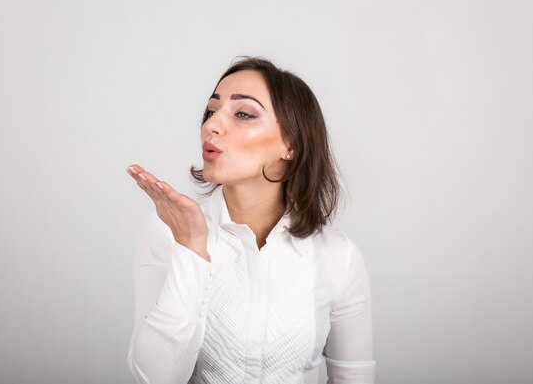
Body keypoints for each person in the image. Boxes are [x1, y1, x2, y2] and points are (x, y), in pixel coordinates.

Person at [125, 57, 375, 383]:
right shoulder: (169, 231)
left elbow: (353, 378)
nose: (211, 125)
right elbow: (154, 378)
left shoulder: (338, 256)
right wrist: (191, 249)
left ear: (291, 144)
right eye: (210, 111)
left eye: (243, 114)